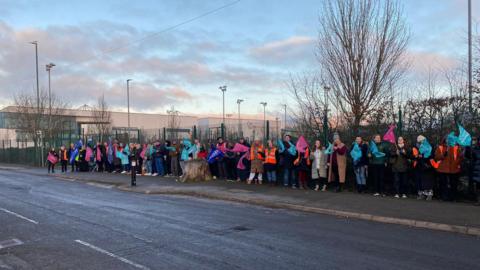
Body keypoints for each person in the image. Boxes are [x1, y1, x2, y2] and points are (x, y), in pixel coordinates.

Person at [434, 136, 463, 201]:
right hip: (442, 169)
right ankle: (444, 197)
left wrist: (456, 163)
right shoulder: (440, 147)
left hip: (454, 169)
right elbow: (436, 157)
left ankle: (453, 197)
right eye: (447, 140)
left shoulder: (456, 147)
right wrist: (443, 155)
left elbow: (460, 157)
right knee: (443, 184)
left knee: (453, 184)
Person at [412, 135, 435, 200]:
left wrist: (425, 156)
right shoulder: (416, 147)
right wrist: (417, 156)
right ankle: (421, 194)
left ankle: (429, 194)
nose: (421, 142)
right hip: (419, 165)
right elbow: (413, 155)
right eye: (420, 141)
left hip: (428, 165)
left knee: (428, 180)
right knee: (421, 180)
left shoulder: (429, 146)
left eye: (422, 140)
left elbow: (432, 155)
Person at [465, 136, 480, 205]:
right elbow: (469, 157)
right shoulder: (475, 149)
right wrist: (467, 148)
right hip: (477, 170)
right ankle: (478, 200)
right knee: (478, 186)